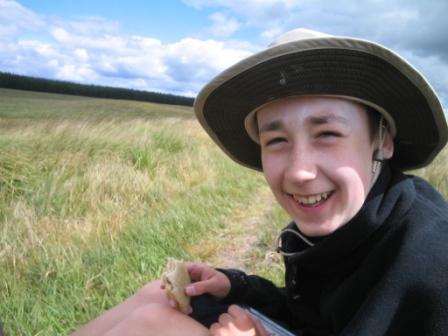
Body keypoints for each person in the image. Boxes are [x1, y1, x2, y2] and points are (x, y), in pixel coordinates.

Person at [71, 29, 448, 335]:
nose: (299, 171)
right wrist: (236, 287)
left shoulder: (431, 264)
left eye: (328, 134)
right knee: (158, 296)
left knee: (153, 325)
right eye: (277, 141)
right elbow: (311, 315)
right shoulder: (353, 220)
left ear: (381, 140)